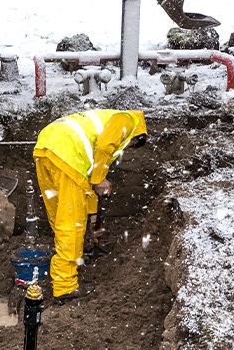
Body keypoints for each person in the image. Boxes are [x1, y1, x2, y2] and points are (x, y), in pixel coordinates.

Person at [33, 109, 148, 302]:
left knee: (60, 216)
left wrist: (93, 224)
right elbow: (104, 148)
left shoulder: (102, 124)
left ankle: (68, 262)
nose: (126, 149)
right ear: (137, 138)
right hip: (67, 154)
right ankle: (64, 286)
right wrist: (99, 179)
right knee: (71, 223)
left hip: (47, 147)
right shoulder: (128, 120)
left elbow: (88, 187)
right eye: (130, 146)